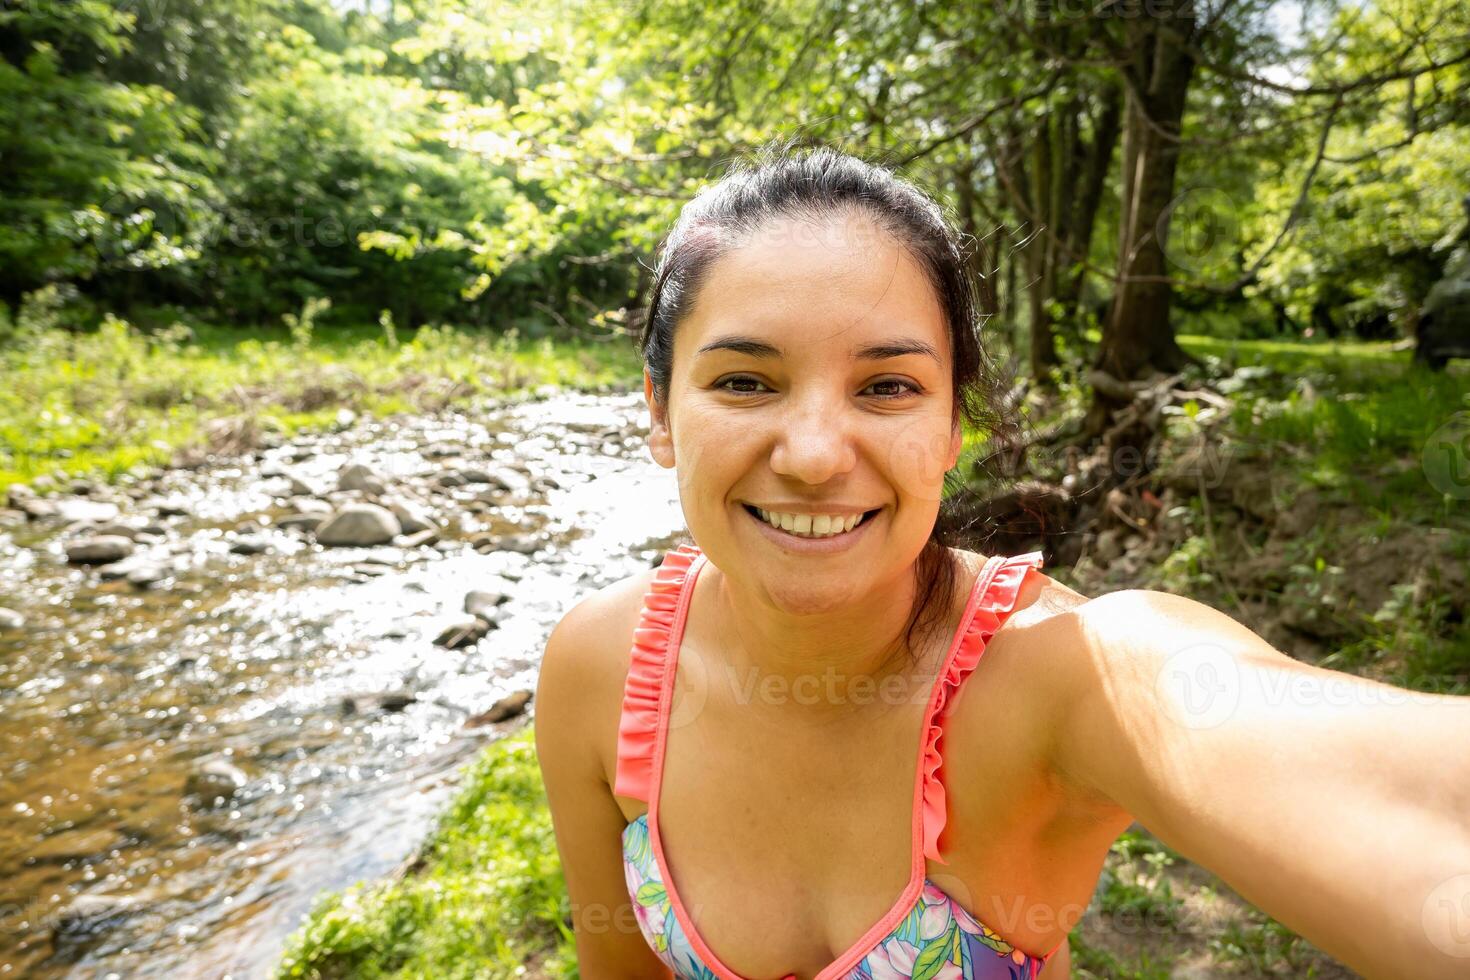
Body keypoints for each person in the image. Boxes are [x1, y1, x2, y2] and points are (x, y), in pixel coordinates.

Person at [534, 142, 1470, 980]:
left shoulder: (1064, 675)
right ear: (661, 410)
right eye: (745, 381)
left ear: (952, 426)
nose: (814, 454)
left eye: (889, 386)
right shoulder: (601, 670)